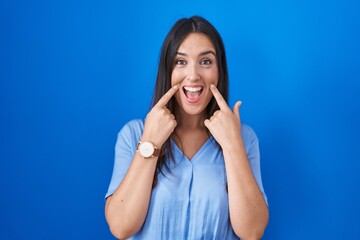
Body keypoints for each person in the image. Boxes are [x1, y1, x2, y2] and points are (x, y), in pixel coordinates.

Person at [105, 16, 269, 240]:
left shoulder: (244, 138)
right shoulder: (133, 134)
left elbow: (252, 231)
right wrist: (150, 144)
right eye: (180, 62)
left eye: (206, 61)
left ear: (219, 71)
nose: (193, 75)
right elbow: (121, 227)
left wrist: (233, 147)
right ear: (167, 69)